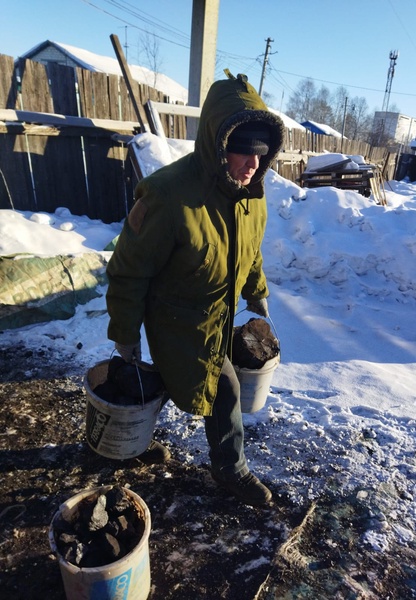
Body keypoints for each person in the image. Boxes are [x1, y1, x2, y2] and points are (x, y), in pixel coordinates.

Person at [106, 71, 285, 506]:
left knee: (183, 384)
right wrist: (126, 333)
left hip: (219, 314)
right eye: (244, 153)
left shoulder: (250, 193)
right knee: (219, 387)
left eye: (261, 155)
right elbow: (129, 270)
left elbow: (250, 250)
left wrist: (255, 288)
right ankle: (231, 467)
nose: (253, 164)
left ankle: (129, 436)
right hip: (175, 319)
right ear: (218, 144)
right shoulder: (168, 196)